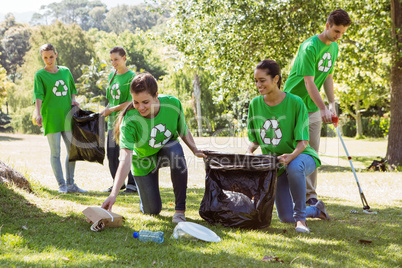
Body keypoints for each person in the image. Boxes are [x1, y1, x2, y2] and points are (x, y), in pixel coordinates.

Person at [102, 72, 206, 223]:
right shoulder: (130, 120)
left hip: (165, 152)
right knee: (152, 211)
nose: (140, 107)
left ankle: (179, 211)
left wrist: (195, 149)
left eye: (145, 102)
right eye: (136, 102)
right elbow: (125, 158)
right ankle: (145, 198)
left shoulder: (173, 104)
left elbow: (183, 130)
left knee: (175, 150)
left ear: (156, 95)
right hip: (143, 161)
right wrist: (113, 194)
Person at [246, 59, 330, 233]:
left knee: (294, 166)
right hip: (277, 164)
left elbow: (303, 142)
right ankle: (316, 210)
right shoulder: (255, 104)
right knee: (285, 217)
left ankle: (301, 221)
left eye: (262, 80)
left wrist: (291, 156)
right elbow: (255, 139)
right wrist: (249, 151)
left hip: (302, 157)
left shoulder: (295, 102)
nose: (258, 85)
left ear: (276, 79)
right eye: (256, 81)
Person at [283, 9, 352, 206]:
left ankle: (310, 197)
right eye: (336, 31)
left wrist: (331, 104)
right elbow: (309, 82)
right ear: (327, 25)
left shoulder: (334, 48)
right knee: (293, 150)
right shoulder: (310, 47)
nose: (339, 36)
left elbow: (328, 77)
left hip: (313, 107)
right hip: (293, 105)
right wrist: (323, 109)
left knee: (312, 152)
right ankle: (283, 194)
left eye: (342, 33)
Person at [33, 43, 87, 193]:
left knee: (72, 151)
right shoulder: (40, 75)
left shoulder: (65, 71)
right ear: (42, 58)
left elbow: (72, 90)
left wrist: (73, 100)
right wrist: (38, 113)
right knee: (55, 152)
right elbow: (38, 96)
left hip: (67, 117)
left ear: (56, 55)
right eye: (45, 58)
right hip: (50, 117)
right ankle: (62, 185)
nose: (49, 60)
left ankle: (71, 184)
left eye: (51, 56)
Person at [100, 47, 137, 194]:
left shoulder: (131, 77)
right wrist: (105, 111)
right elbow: (111, 99)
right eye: (111, 60)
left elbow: (131, 102)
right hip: (112, 121)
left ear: (124, 58)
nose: (113, 62)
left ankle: (132, 184)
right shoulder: (112, 75)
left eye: (116, 59)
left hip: (127, 120)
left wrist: (111, 110)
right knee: (111, 154)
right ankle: (118, 183)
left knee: (126, 152)